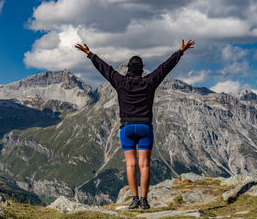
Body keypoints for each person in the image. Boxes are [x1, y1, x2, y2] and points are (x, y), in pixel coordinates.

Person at [75, 39, 195, 209]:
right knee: (144, 165)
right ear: (142, 69)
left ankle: (134, 200)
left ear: (128, 69)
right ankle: (144, 201)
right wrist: (180, 52)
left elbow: (105, 69)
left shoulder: (120, 82)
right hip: (145, 127)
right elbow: (164, 68)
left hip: (127, 128)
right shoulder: (149, 82)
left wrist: (89, 54)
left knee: (131, 164)